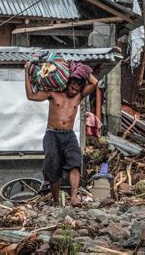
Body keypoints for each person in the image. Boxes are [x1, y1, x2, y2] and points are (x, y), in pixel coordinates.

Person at [24, 61, 98, 207]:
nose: (73, 91)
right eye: (71, 87)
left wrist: (79, 70)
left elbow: (94, 82)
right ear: (66, 83)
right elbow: (31, 96)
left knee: (75, 163)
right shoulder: (53, 93)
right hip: (52, 134)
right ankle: (56, 201)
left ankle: (74, 197)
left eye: (76, 89)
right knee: (53, 168)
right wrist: (26, 72)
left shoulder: (79, 96)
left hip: (69, 135)